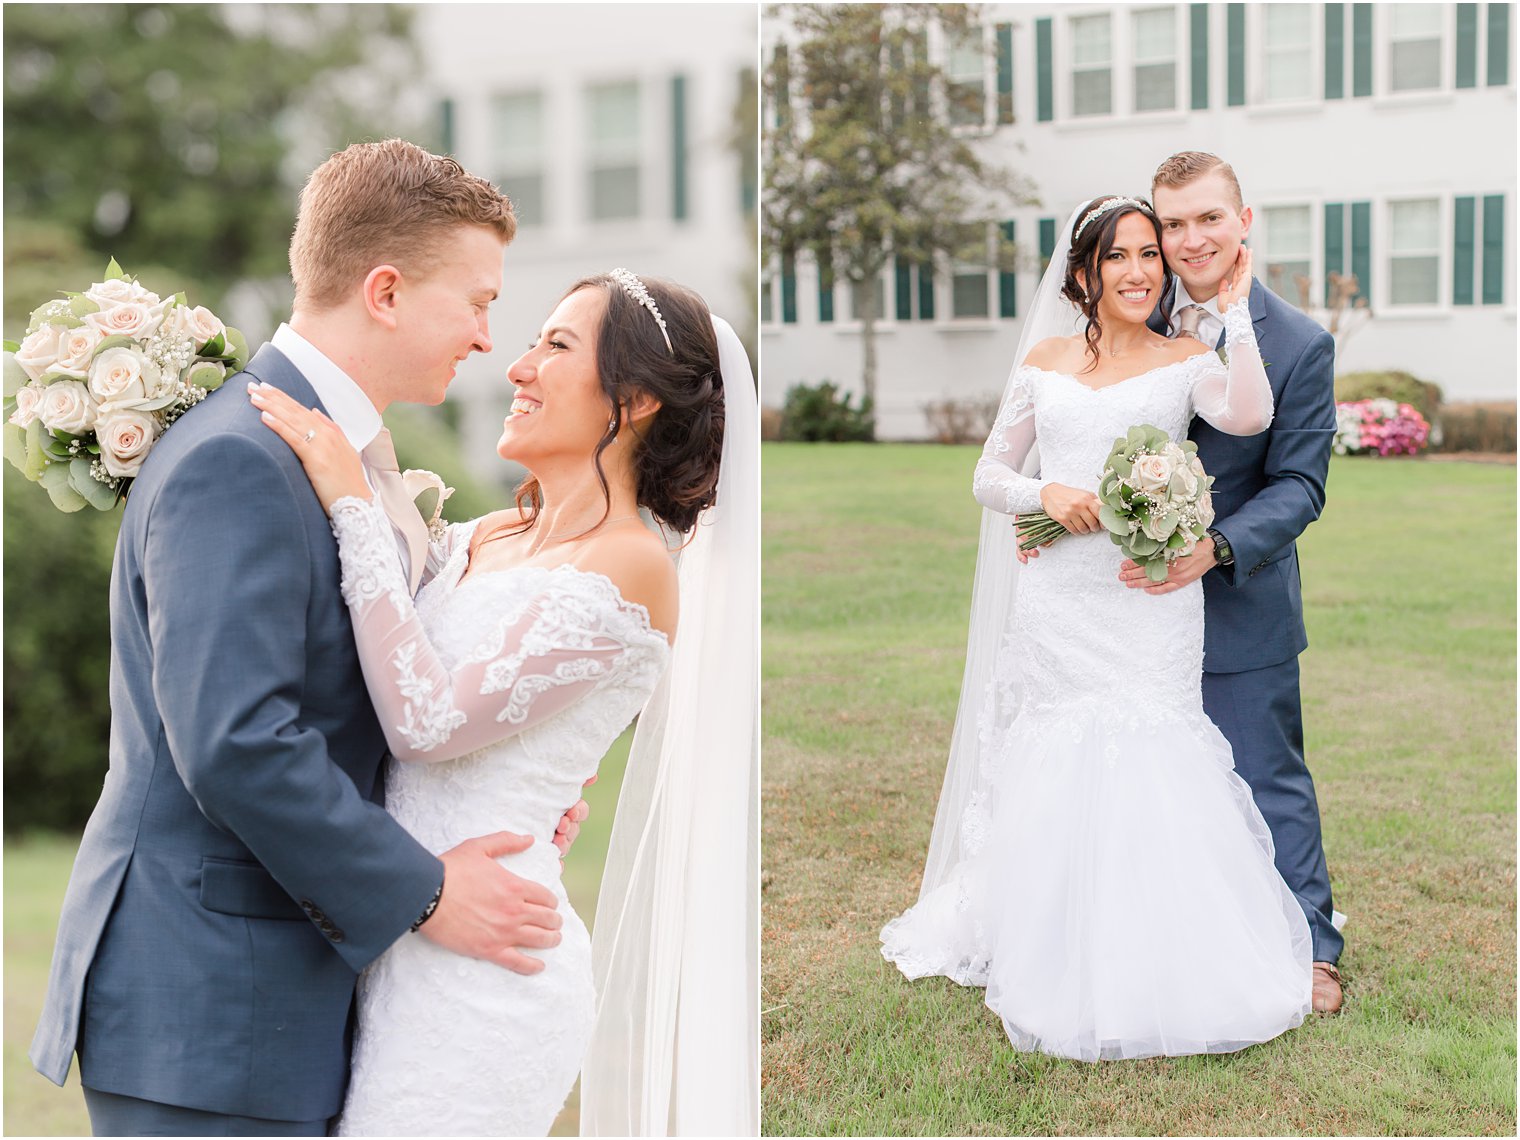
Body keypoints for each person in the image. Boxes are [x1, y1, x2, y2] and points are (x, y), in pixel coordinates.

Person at [31, 140, 589, 1136]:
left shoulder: (323, 451)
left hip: (265, 1001)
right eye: (473, 300)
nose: (484, 337)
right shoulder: (239, 461)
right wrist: (425, 893)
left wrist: (501, 787)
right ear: (383, 290)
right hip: (209, 1009)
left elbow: (360, 698)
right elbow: (236, 741)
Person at [248, 268, 758, 1135]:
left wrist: (353, 506)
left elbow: (428, 721)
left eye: (555, 345)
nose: (517, 367)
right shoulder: (485, 536)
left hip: (489, 973)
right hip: (401, 934)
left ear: (633, 400)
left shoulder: (631, 565)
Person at [880, 195, 1313, 1061]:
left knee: (1154, 747)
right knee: (1055, 749)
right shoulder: (1044, 361)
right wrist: (1047, 494)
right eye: (1119, 256)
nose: (1140, 270)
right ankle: (1047, 937)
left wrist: (1234, 316)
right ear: (1085, 273)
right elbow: (987, 477)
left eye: (1151, 255)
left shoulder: (1187, 358)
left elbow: (1251, 417)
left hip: (1144, 594)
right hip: (1059, 594)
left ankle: (1165, 949)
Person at [1138, 152, 1343, 1014]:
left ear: (1244, 220)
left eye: (1207, 219)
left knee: (1267, 771)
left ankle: (1314, 946)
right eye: (1172, 224)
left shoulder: (1300, 342)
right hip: (1127, 601)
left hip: (1239, 600)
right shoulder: (1124, 318)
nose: (1190, 240)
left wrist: (1215, 548)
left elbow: (1300, 485)